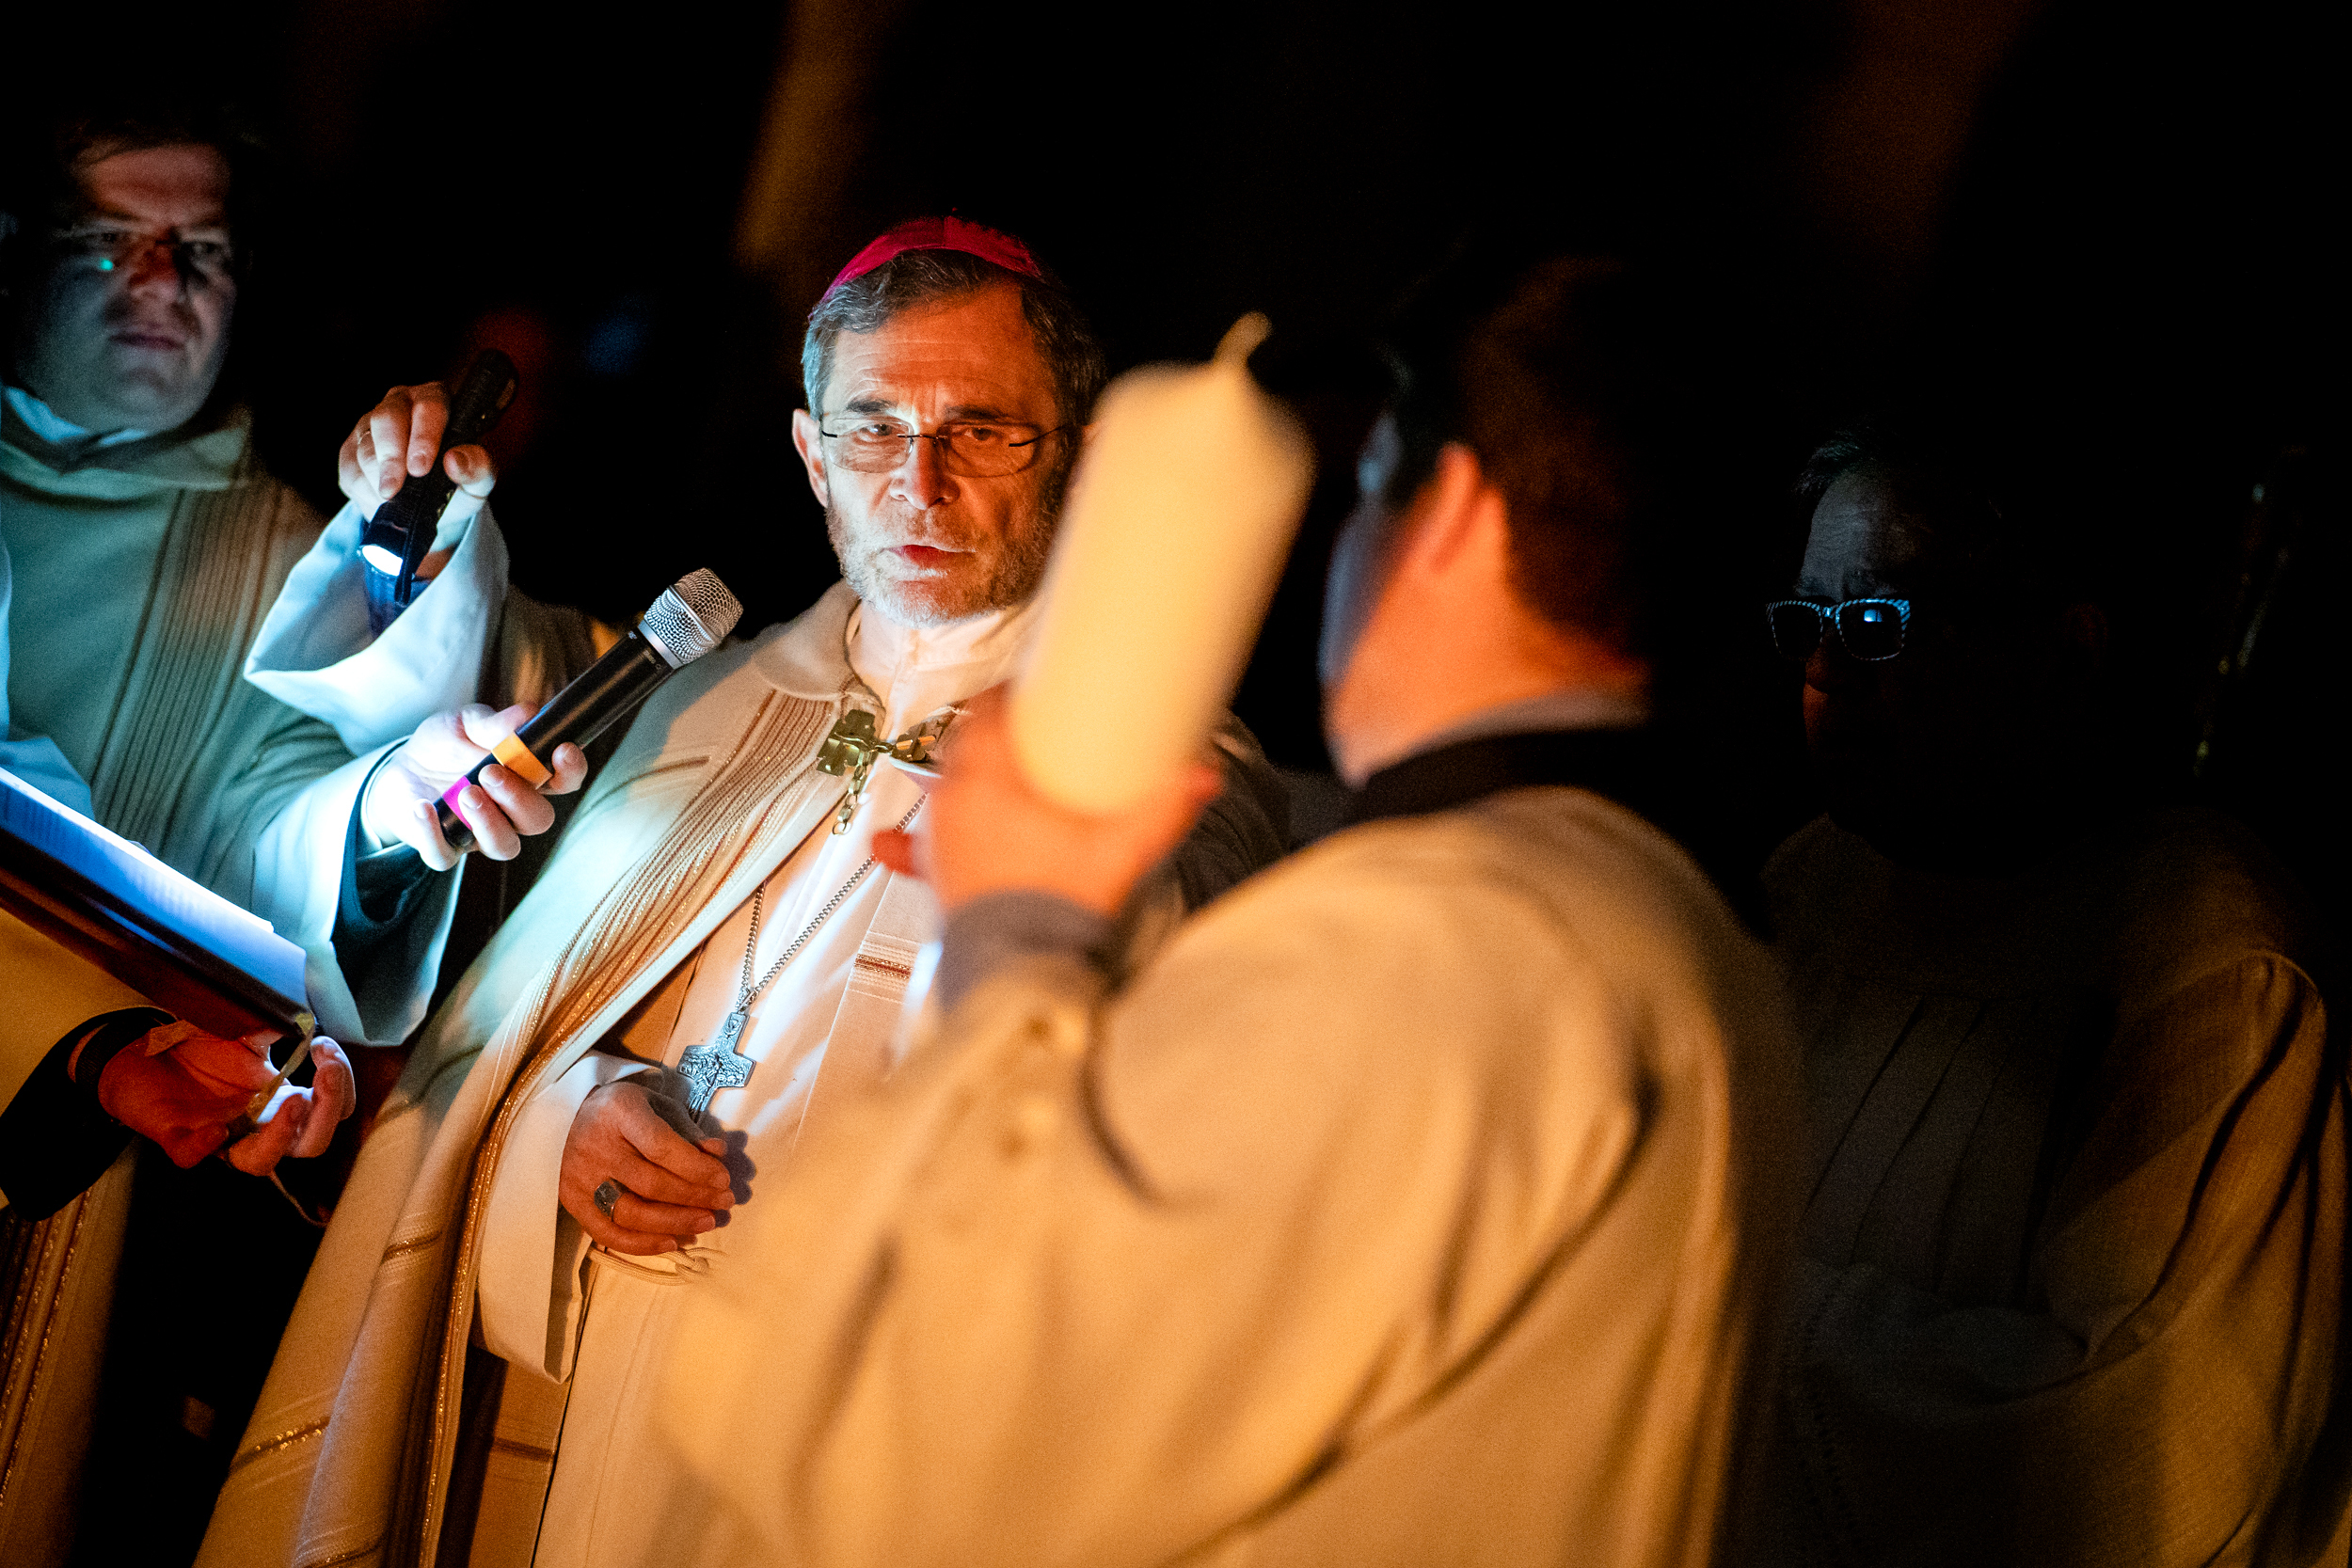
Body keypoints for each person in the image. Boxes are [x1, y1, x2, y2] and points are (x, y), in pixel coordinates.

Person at [565, 253, 1788, 1567]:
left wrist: (1019, 922)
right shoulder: (1657, 909)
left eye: (1364, 493)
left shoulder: (1436, 935)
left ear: (1448, 517)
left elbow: (935, 1445)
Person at [198, 216, 1286, 1568]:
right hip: (585, 1390)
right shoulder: (701, 706)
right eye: (874, 429)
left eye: (984, 430)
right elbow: (492, 1041)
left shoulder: (1168, 780)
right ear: (812, 457)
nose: (921, 483)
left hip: (888, 1451)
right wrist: (551, 1129)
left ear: (1073, 453)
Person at [0, 101, 582, 1564]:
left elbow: (260, 833)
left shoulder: (272, 549)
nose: (162, 279)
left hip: (91, 1157)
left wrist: (388, 805)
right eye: (109, 240)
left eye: (200, 248)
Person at [1744, 425, 2350, 1566]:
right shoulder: (1808, 884)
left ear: (2062, 651)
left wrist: (1727, 1310)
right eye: (1806, 623)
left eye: (1878, 622)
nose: (1824, 673)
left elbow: (2143, 1441)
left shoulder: (2216, 968)